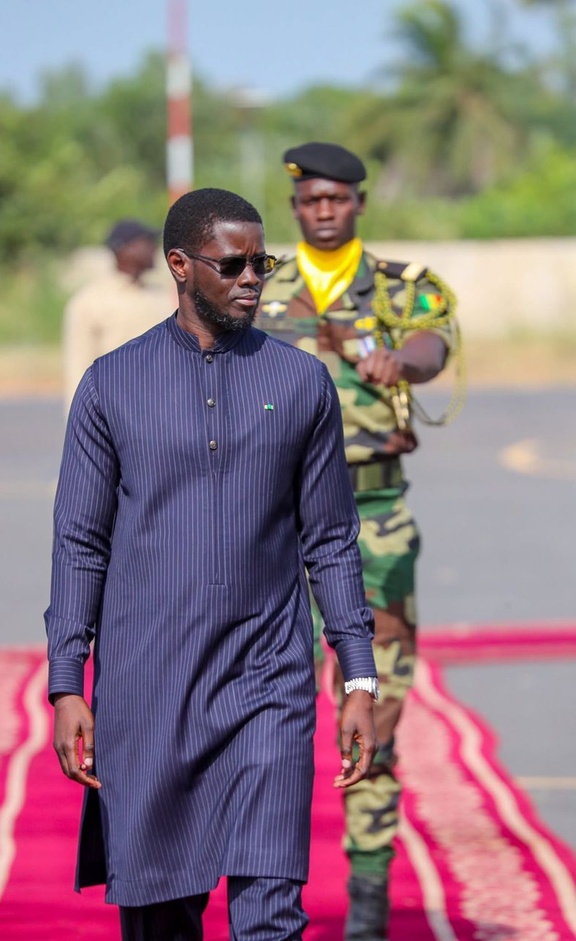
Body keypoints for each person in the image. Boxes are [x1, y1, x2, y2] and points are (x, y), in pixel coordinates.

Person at [45, 187, 379, 941]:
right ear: (179, 266)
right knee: (162, 915)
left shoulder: (299, 383)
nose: (252, 278)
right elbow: (79, 541)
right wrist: (68, 679)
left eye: (263, 261)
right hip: (148, 688)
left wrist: (357, 673)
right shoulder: (112, 385)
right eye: (232, 264)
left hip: (269, 683)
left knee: (271, 910)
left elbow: (329, 537)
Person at [257, 142, 460, 941]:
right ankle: (264, 897)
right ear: (297, 206)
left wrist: (395, 358)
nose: (324, 211)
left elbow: (432, 349)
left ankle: (368, 900)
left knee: (372, 714)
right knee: (264, 717)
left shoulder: (407, 288)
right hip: (270, 531)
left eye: (337, 198)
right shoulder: (259, 284)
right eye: (310, 201)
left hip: (373, 524)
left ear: (359, 202)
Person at [62, 218, 171, 411]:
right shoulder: (90, 301)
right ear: (126, 249)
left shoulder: (162, 296)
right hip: (117, 411)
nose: (154, 249)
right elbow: (77, 367)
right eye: (147, 243)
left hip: (163, 407)